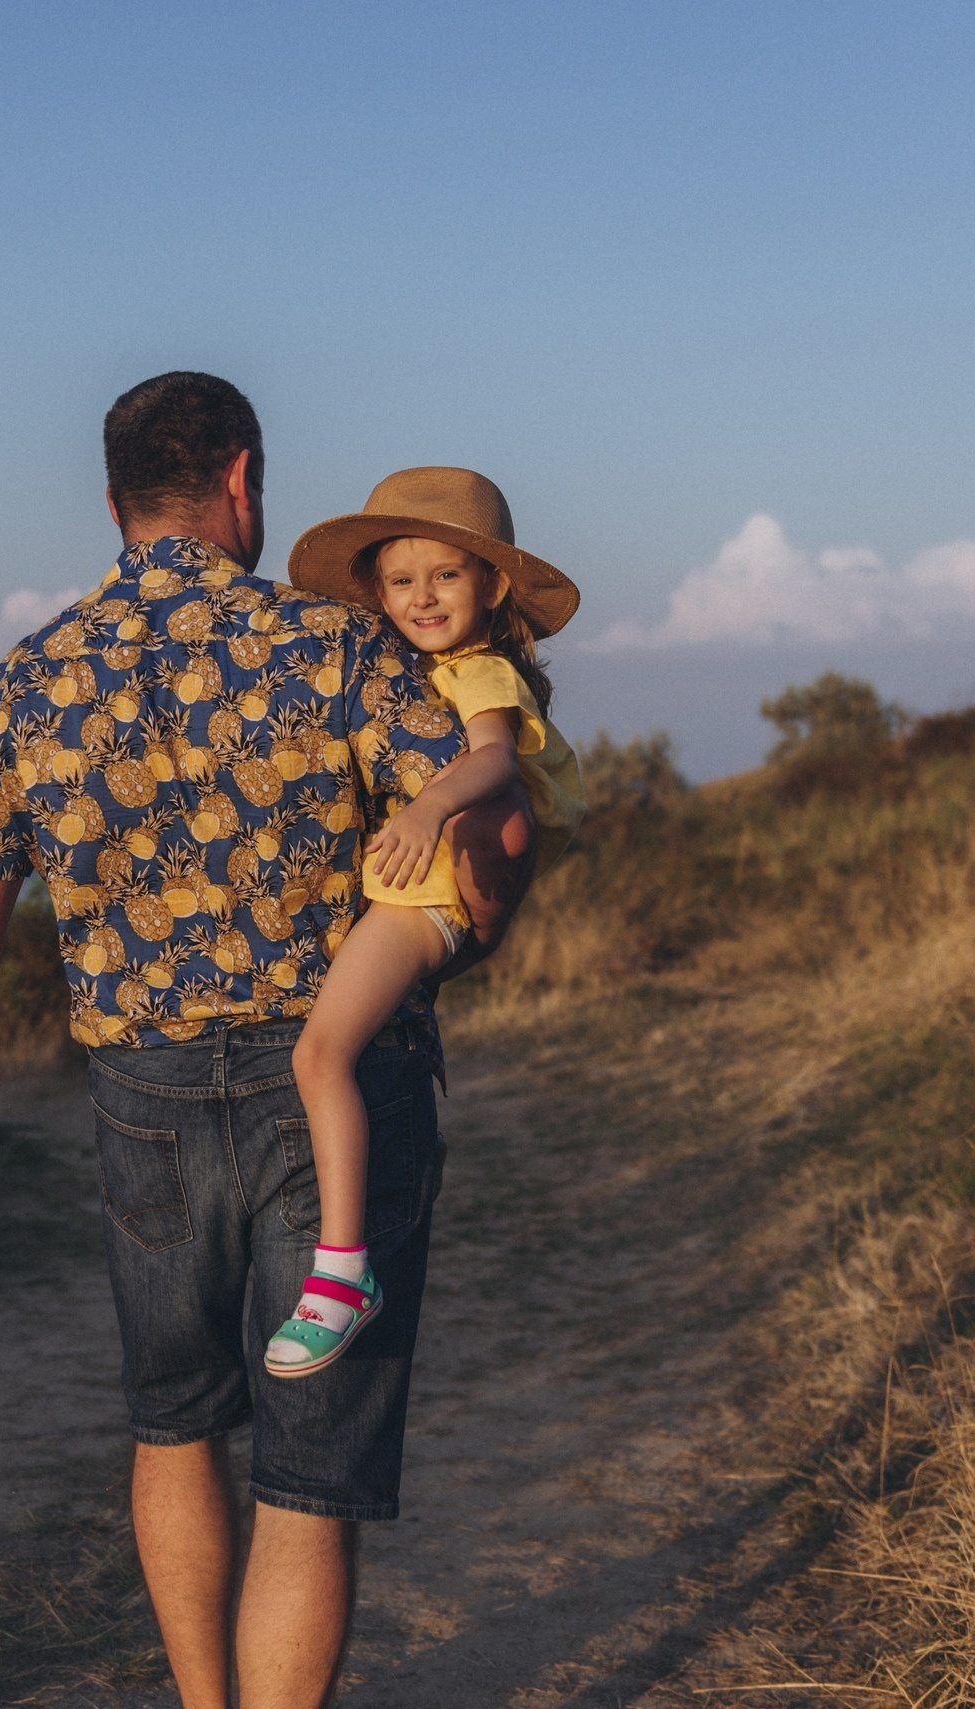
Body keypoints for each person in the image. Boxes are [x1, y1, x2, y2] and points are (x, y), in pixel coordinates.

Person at [0, 373, 534, 1709]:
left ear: (114, 498)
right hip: (340, 1076)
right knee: (308, 1473)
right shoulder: (341, 650)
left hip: (144, 1099)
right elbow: (487, 841)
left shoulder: (26, 681)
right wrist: (462, 924)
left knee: (173, 1424)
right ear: (243, 480)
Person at [260, 469, 585, 1379]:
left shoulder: (479, 671)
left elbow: (496, 770)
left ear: (491, 587)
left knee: (318, 1055)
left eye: (445, 575)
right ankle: (342, 1262)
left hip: (429, 894)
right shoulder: (412, 672)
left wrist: (424, 810)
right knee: (337, 1046)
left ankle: (338, 1272)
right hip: (422, 892)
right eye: (402, 581)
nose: (423, 597)